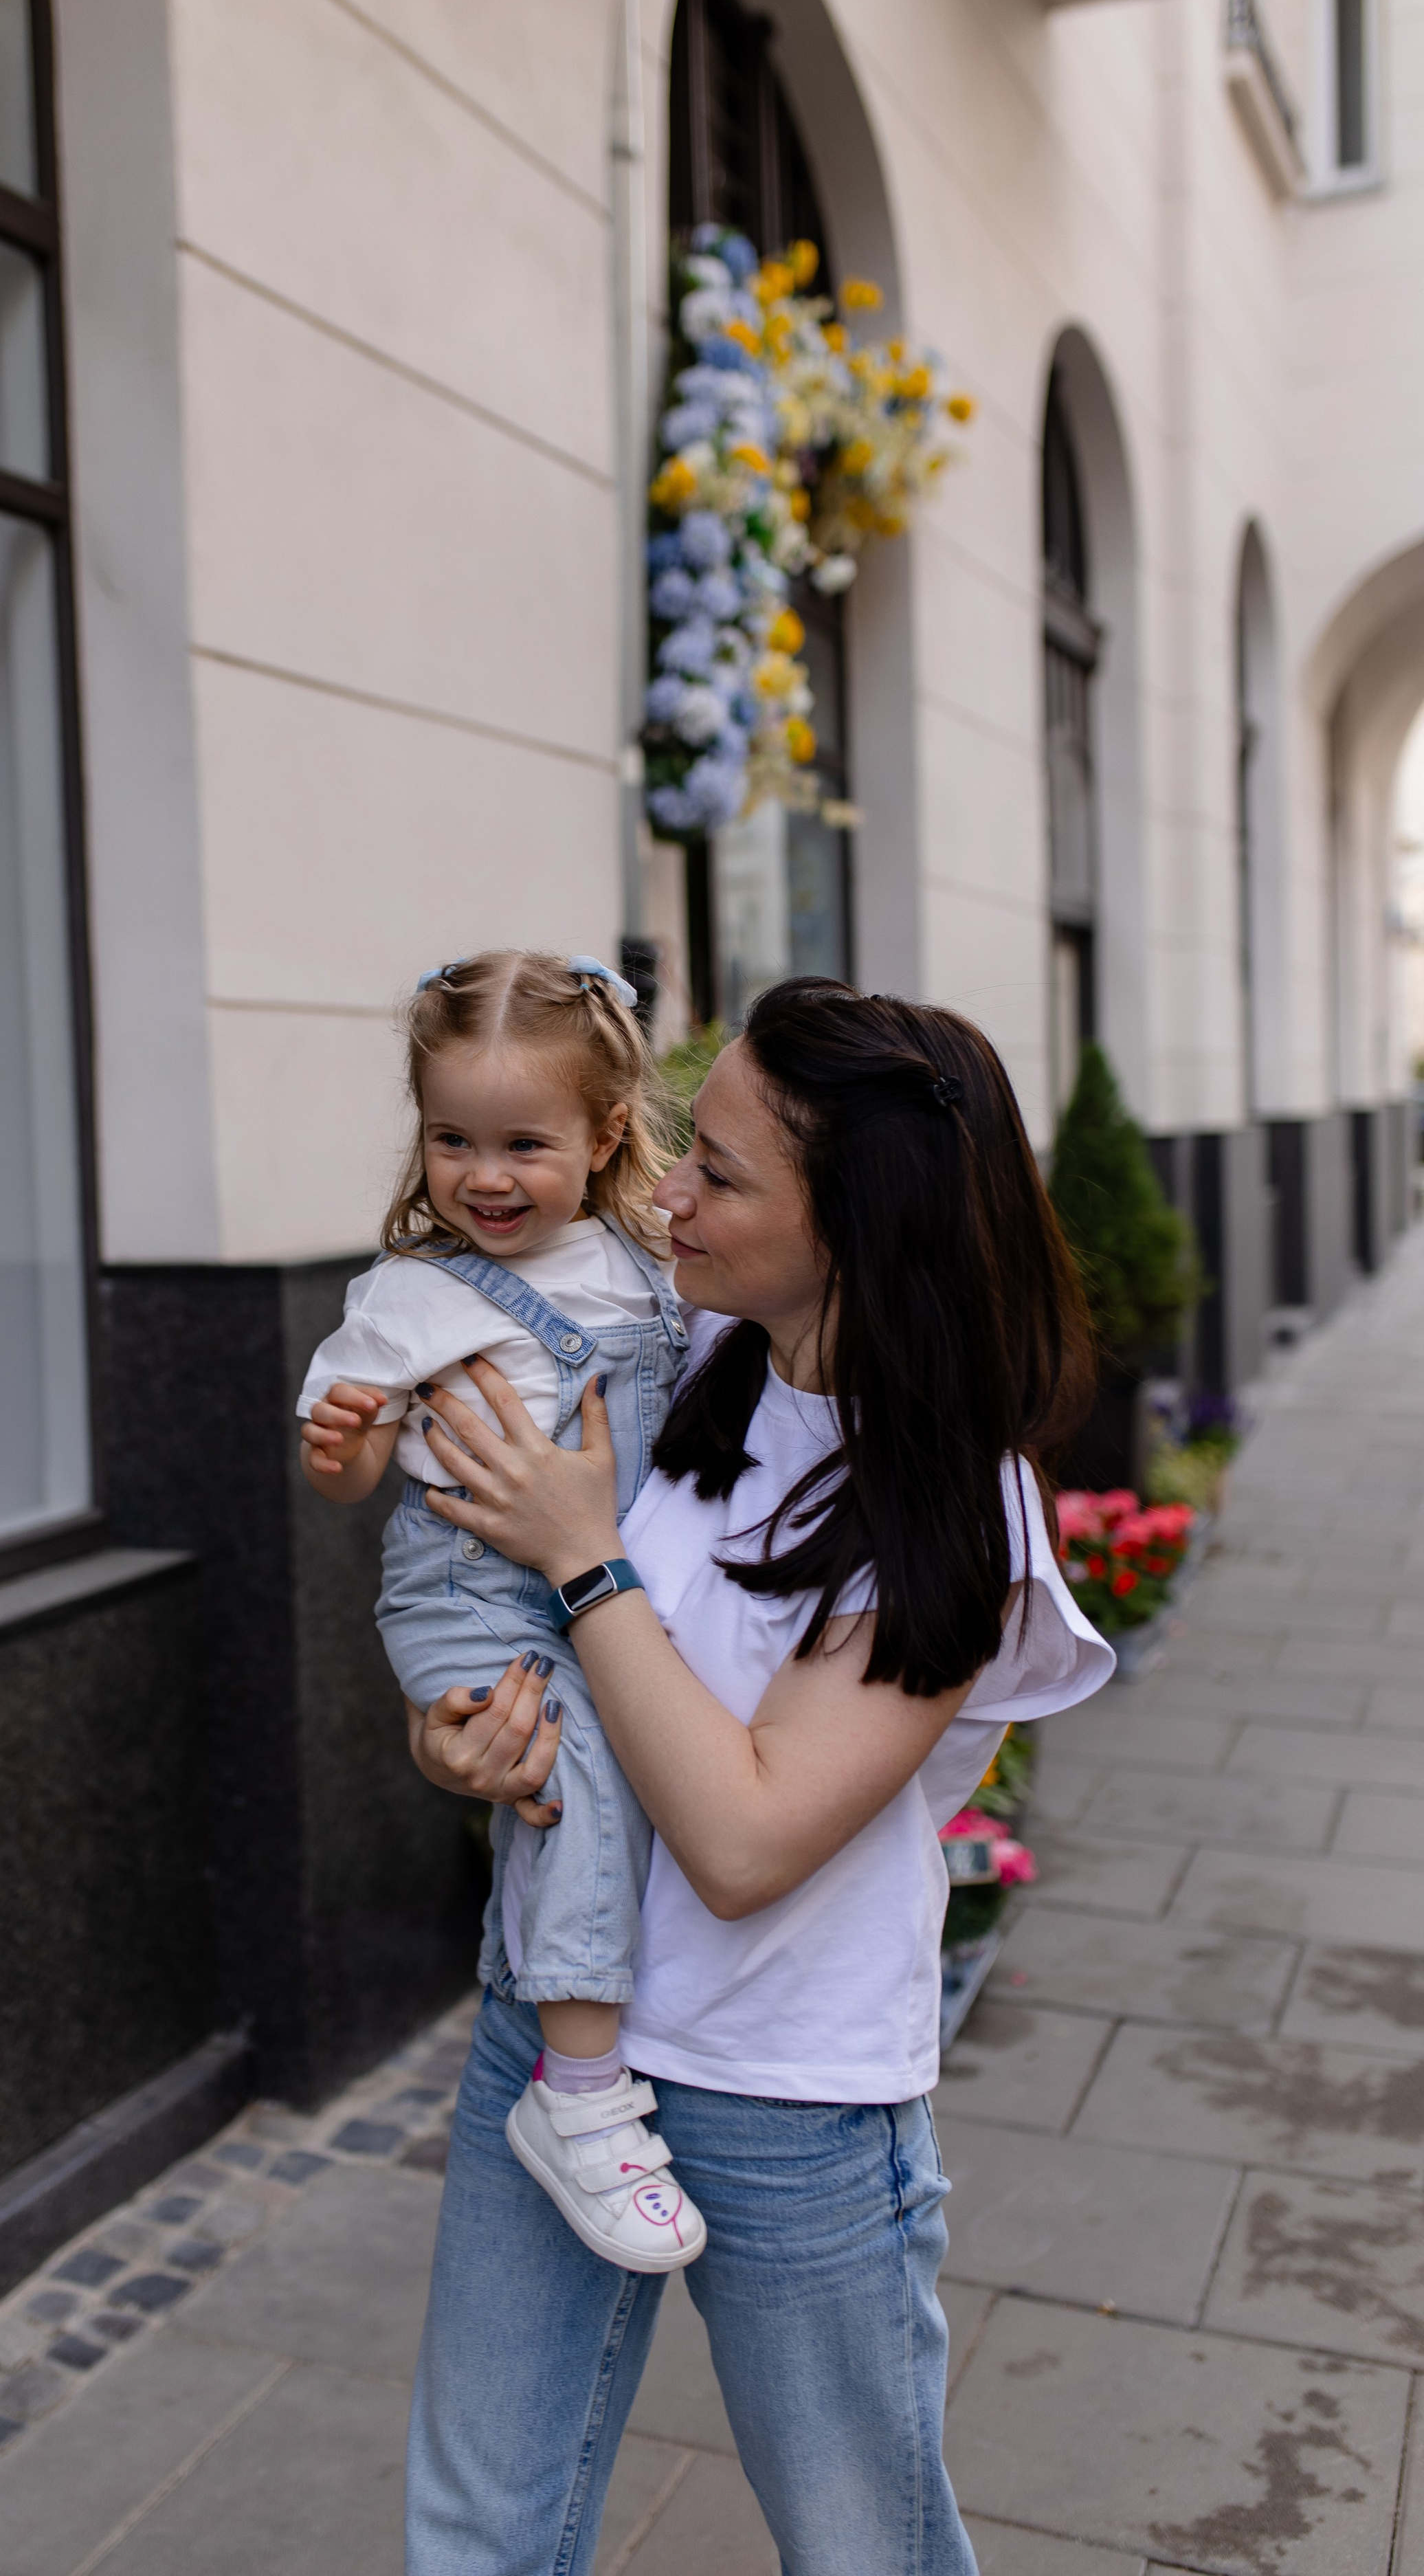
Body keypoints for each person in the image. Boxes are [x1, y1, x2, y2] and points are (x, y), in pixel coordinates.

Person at [401, 979, 1116, 2576]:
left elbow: (737, 1838)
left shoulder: (956, 1517)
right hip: (556, 2037)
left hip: (782, 2090)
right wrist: (460, 1733)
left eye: (718, 1174)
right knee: (477, 2530)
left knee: (861, 2547)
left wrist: (585, 1561)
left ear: (854, 1224)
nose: (663, 1192)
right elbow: (524, 1648)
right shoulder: (682, 1358)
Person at [296, 948, 710, 2271]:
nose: (483, 1175)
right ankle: (577, 2098)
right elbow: (355, 1461)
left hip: (600, 1581)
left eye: (523, 1142)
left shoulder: (647, 1262)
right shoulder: (413, 1293)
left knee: (621, 1766)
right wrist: (346, 1444)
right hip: (471, 1592)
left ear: (601, 1140)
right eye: (451, 1140)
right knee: (574, 1774)